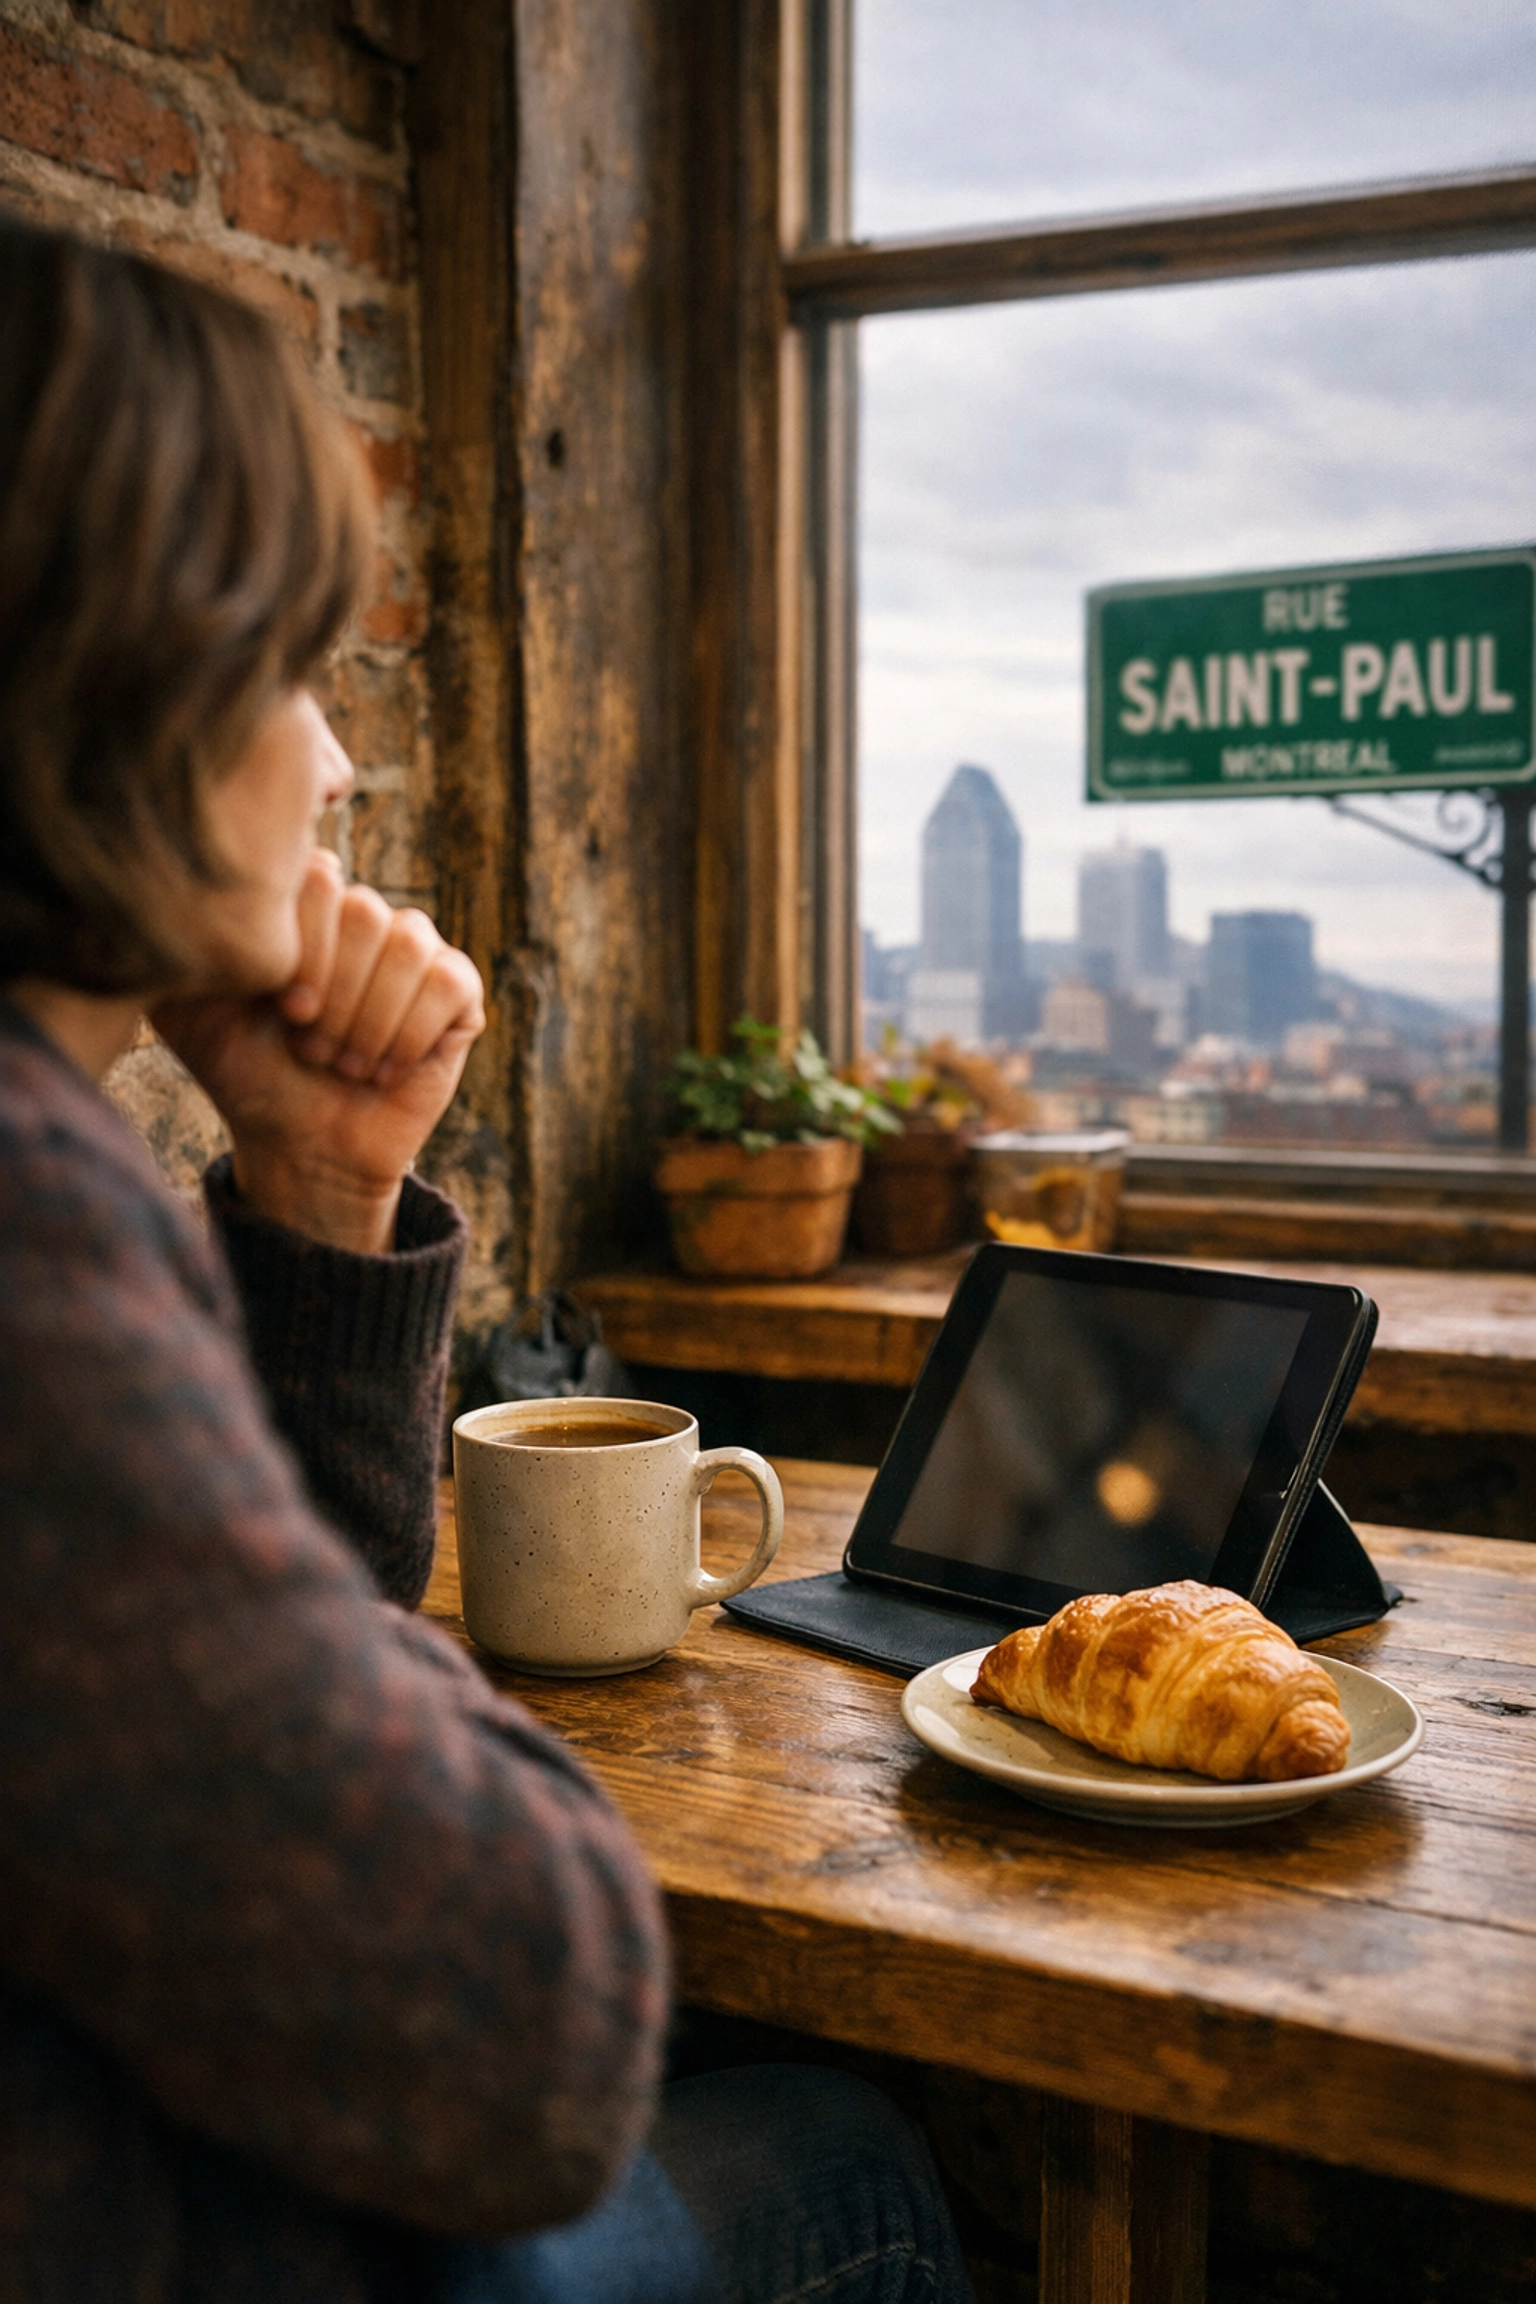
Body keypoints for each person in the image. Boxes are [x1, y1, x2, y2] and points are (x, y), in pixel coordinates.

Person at [0, 216, 975, 2303]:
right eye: (281, 667)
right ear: (111, 684)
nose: (335, 758)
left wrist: (320, 1189)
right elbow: (527, 2042)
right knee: (847, 2159)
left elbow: (224, 1759)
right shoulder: (25, 1219)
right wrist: (413, 1694)